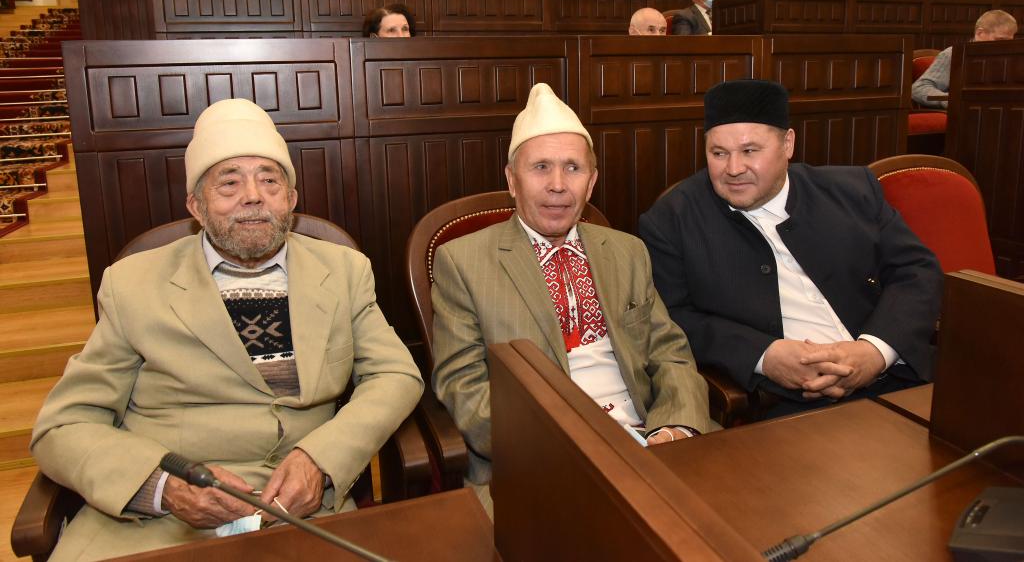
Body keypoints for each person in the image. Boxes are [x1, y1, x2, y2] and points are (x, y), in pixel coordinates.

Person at [30, 98, 423, 560]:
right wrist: (161, 487)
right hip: (159, 523)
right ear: (196, 206)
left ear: (291, 199)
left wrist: (321, 459)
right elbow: (64, 425)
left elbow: (396, 375)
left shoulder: (343, 270)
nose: (253, 196)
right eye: (229, 182)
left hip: (301, 509)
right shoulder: (132, 284)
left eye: (270, 180)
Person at [432, 82, 711, 506]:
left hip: (649, 441)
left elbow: (670, 352)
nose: (558, 185)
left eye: (573, 168)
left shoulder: (627, 251)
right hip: (542, 459)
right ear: (512, 180)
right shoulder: (462, 262)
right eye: (540, 167)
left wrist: (675, 428)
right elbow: (463, 387)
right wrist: (563, 446)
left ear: (591, 182)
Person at [639, 80, 943, 420]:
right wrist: (764, 355)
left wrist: (875, 351)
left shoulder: (851, 190)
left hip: (902, 379)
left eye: (750, 151)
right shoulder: (672, 220)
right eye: (718, 153)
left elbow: (917, 270)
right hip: (787, 406)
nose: (734, 168)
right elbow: (672, 317)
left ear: (788, 144)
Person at [911, 10, 1017, 108]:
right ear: (980, 33)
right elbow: (919, 89)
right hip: (965, 114)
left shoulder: (1013, 58)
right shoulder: (953, 54)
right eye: (1000, 39)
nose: (1005, 46)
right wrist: (951, 100)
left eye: (1009, 41)